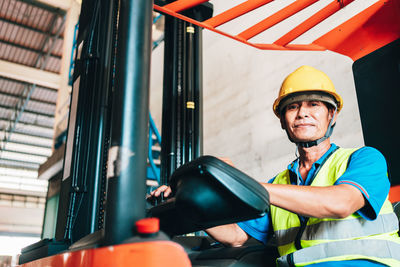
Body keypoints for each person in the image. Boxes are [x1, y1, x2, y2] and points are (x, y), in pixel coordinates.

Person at [150, 66, 400, 266]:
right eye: (293, 107)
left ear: (331, 115)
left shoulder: (363, 158)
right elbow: (237, 237)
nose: (302, 113)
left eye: (314, 104)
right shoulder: (279, 183)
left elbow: (341, 203)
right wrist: (193, 203)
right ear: (283, 121)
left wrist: (248, 187)